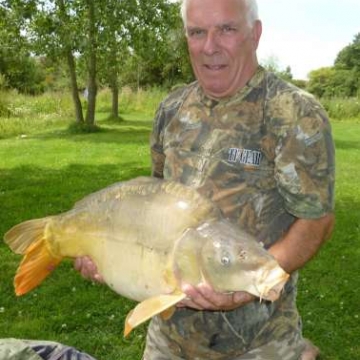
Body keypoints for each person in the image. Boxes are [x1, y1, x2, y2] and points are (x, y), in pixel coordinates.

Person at [76, 0, 335, 358]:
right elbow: (153, 207)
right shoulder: (171, 108)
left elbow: (316, 219)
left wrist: (247, 288)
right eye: (197, 32)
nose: (210, 45)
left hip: (260, 342)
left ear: (254, 34)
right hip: (168, 339)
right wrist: (111, 255)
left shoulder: (294, 113)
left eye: (226, 29)